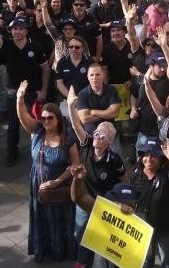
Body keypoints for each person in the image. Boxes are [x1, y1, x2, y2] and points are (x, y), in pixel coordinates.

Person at [16, 80, 78, 263]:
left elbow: (75, 166)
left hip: (59, 186)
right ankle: (43, 251)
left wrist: (58, 181)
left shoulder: (67, 138)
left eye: (50, 118)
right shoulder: (37, 131)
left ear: (58, 119)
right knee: (41, 218)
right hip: (38, 184)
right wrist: (19, 99)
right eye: (43, 118)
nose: (46, 121)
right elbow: (23, 118)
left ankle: (61, 252)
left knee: (60, 220)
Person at [67, 87, 127, 268]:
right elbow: (76, 125)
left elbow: (124, 179)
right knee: (80, 234)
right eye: (96, 133)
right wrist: (71, 107)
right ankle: (82, 260)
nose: (96, 136)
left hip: (103, 205)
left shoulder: (114, 159)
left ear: (109, 142)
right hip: (85, 200)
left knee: (101, 238)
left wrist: (125, 200)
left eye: (101, 135)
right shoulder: (86, 146)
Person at [0, 3, 50, 167]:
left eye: (20, 29)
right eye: (14, 29)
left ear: (26, 30)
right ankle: (12, 152)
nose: (17, 31)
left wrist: (43, 90)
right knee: (13, 125)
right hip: (14, 93)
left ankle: (43, 152)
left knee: (40, 123)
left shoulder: (35, 46)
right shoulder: (6, 45)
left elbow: (45, 69)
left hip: (34, 92)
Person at [131, 137, 169, 268]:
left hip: (164, 228)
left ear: (161, 158)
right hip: (142, 228)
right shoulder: (136, 174)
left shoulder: (167, 173)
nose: (149, 159)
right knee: (145, 261)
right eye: (146, 154)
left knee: (166, 260)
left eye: (154, 155)